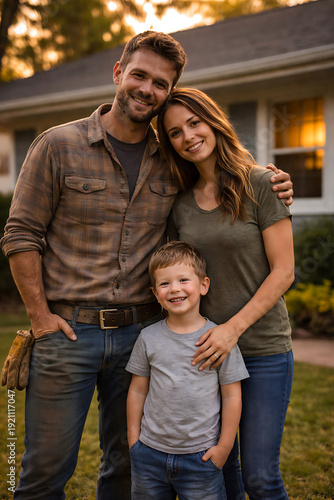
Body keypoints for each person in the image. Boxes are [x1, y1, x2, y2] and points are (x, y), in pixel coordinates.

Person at [0, 30, 293, 499]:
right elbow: (20, 233)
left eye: (160, 83)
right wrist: (39, 317)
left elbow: (221, 174)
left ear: (168, 90)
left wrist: (273, 181)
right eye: (139, 75)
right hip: (69, 332)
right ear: (118, 73)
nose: (147, 89)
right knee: (43, 471)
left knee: (127, 466)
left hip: (142, 334)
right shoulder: (58, 145)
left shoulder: (169, 160)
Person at [157, 87, 295, 499]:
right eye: (175, 132)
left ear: (213, 122)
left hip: (263, 349)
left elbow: (284, 271)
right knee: (221, 470)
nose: (188, 137)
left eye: (194, 123)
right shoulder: (179, 206)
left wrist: (232, 330)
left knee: (259, 476)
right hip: (207, 356)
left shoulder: (263, 183)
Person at [126, 241, 249, 500]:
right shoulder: (148, 338)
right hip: (149, 455)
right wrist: (134, 441)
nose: (175, 289)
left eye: (183, 279)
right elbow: (137, 391)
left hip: (201, 458)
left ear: (203, 285)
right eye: (165, 283)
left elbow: (232, 396)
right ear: (155, 292)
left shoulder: (219, 340)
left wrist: (224, 448)